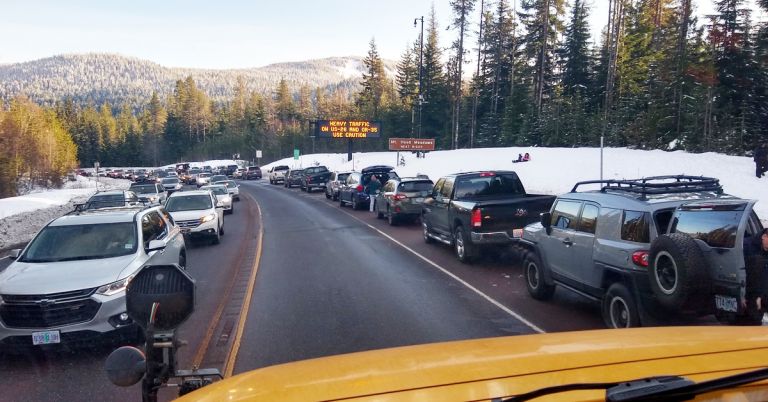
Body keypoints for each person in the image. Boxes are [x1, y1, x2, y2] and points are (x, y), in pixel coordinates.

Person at [744, 228, 768, 319]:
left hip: (760, 290)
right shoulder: (746, 246)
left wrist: (760, 296)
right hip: (747, 288)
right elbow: (739, 270)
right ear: (764, 237)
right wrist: (742, 294)